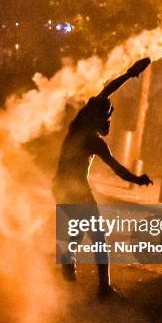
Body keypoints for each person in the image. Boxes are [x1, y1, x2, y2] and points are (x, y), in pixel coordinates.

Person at [53, 58, 154, 300]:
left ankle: (68, 272)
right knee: (98, 238)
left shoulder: (77, 126)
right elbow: (117, 169)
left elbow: (106, 91)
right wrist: (138, 180)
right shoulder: (95, 141)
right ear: (98, 117)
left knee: (77, 231)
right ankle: (104, 289)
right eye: (106, 116)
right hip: (76, 191)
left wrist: (129, 75)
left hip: (60, 186)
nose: (109, 120)